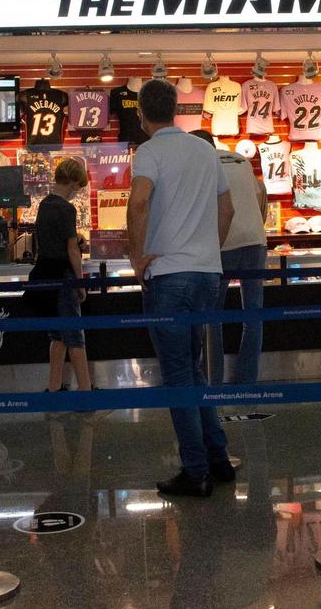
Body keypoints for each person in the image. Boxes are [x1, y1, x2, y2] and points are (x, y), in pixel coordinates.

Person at [126, 79, 236, 498]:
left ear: (141, 113)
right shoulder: (204, 150)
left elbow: (138, 202)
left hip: (168, 275)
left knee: (178, 375)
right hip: (207, 274)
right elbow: (227, 208)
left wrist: (138, 258)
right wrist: (209, 251)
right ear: (176, 109)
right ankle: (217, 458)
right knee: (192, 369)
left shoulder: (149, 152)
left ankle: (196, 471)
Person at [192, 130, 268, 385]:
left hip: (222, 242)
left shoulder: (203, 165)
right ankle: (247, 379)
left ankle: (213, 378)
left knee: (213, 314)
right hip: (255, 241)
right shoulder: (240, 160)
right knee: (253, 314)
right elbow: (261, 195)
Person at [33, 158, 93, 392]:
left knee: (56, 336)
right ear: (74, 182)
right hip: (63, 276)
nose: (77, 192)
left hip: (44, 273)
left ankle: (54, 386)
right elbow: (71, 249)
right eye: (79, 187)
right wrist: (80, 283)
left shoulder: (44, 204)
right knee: (74, 335)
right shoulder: (66, 208)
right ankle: (86, 390)